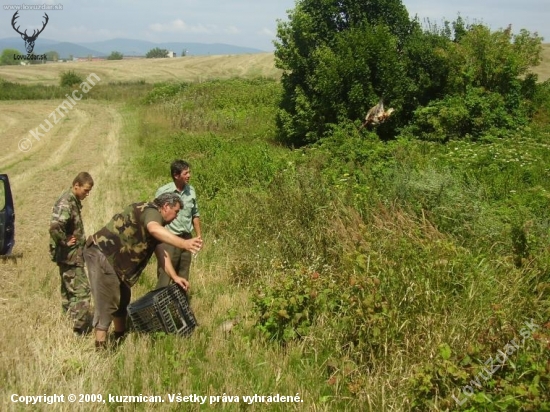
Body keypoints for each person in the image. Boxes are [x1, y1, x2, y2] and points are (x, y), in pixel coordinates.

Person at [83, 193, 202, 349]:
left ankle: (119, 338)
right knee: (107, 304)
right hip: (103, 255)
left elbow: (162, 253)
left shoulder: (156, 220)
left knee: (123, 298)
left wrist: (174, 276)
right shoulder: (152, 212)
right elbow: (153, 229)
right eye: (176, 211)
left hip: (117, 264)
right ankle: (100, 350)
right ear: (166, 207)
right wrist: (183, 243)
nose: (176, 216)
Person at [49, 172, 94, 335]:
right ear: (76, 186)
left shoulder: (71, 199)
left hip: (71, 255)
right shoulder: (66, 201)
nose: (87, 194)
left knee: (69, 291)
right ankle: (79, 330)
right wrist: (64, 241)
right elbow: (55, 226)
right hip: (70, 256)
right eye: (86, 190)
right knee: (82, 292)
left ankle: (68, 323)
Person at [155, 160, 201, 288]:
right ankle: (159, 304)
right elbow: (156, 216)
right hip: (169, 239)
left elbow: (195, 214)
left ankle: (179, 304)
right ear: (176, 175)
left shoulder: (191, 191)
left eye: (189, 172)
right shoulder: (163, 191)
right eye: (186, 173)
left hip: (187, 238)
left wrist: (198, 236)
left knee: (183, 275)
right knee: (165, 276)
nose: (189, 175)